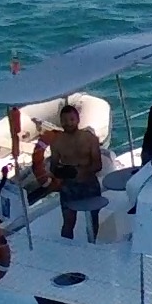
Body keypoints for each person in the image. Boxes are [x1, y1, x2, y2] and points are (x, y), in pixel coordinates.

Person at [48, 103, 105, 242]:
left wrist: (82, 172)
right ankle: (66, 248)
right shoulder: (56, 142)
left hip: (89, 183)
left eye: (71, 119)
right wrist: (64, 173)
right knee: (68, 221)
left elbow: (98, 164)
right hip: (69, 186)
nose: (68, 123)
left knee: (93, 220)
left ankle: (94, 245)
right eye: (64, 120)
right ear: (60, 122)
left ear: (78, 120)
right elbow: (53, 168)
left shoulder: (90, 139)